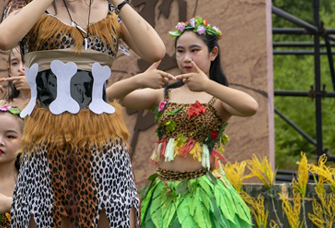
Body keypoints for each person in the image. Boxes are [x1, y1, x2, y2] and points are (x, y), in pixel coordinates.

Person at [0, 0, 166, 228]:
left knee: (115, 216)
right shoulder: (30, 2)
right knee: (42, 218)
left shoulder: (111, 8)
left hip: (103, 139)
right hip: (45, 138)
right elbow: (4, 39)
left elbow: (155, 49)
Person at [108, 16, 257, 228]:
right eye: (180, 51)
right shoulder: (164, 95)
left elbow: (251, 106)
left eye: (195, 50)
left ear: (213, 53)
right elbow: (107, 97)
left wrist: (207, 85)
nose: (186, 58)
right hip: (164, 194)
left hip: (204, 194)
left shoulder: (219, 98)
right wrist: (138, 80)